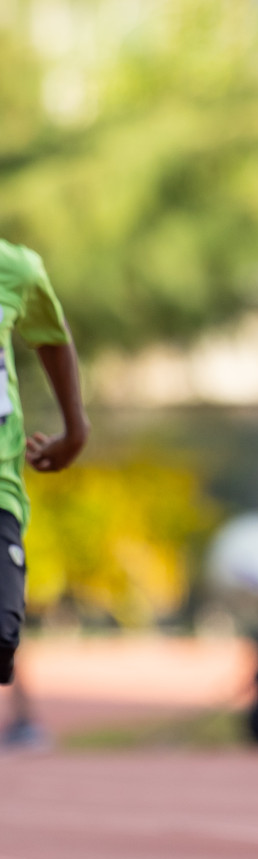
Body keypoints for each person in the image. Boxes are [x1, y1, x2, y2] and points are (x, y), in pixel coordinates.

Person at [0, 242, 89, 726]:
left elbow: (51, 336)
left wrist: (75, 429)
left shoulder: (14, 268)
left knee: (1, 634)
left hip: (0, 486)